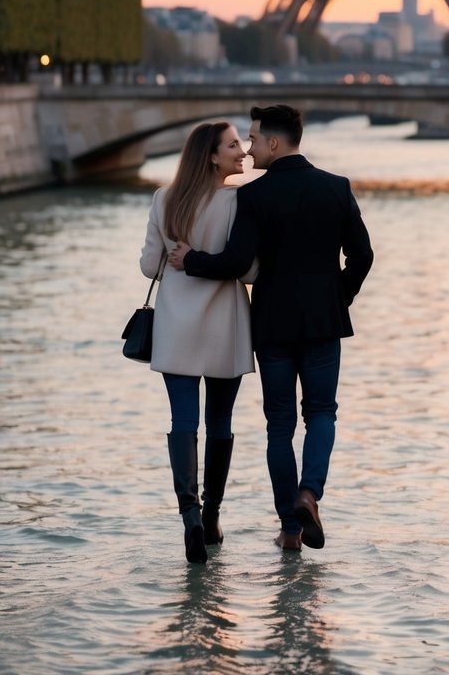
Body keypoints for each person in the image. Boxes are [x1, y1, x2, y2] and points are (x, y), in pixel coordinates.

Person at [168, 104, 374, 553]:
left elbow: (238, 263)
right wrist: (340, 296)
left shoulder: (254, 196)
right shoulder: (336, 188)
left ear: (275, 144)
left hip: (274, 326)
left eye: (255, 138)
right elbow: (363, 257)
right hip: (324, 322)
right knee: (321, 413)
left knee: (279, 427)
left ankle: (290, 531)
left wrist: (192, 260)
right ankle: (309, 494)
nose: (250, 147)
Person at [140, 121, 257, 565]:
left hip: (176, 324)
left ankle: (188, 516)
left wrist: (179, 256)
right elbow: (249, 271)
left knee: (182, 419)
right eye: (233, 144)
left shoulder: (163, 199)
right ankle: (211, 517)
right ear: (212, 155)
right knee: (220, 420)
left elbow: (151, 265)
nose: (242, 149)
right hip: (224, 322)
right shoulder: (238, 202)